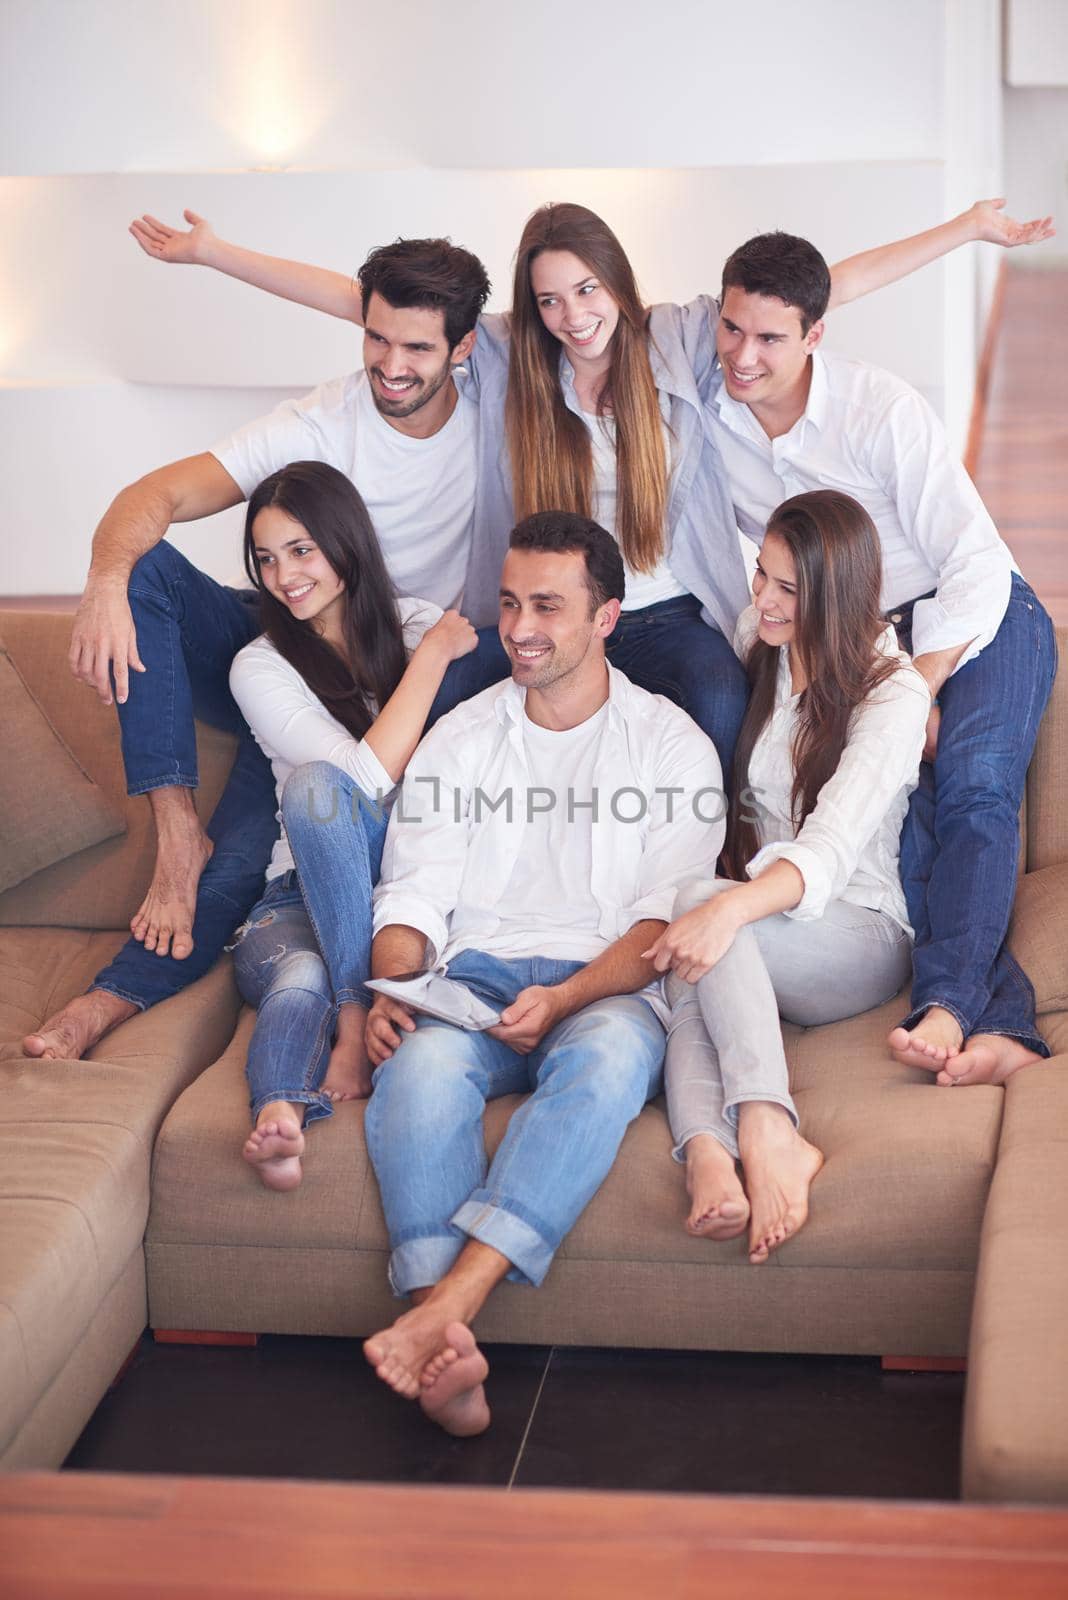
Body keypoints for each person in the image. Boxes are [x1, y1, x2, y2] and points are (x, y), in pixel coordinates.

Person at [125, 198, 1050, 786]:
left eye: (586, 289)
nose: (573, 316)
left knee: (723, 712)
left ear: (616, 280)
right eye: (551, 300)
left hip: (670, 608)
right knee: (450, 713)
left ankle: (710, 875)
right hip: (551, 615)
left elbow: (816, 292)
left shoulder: (679, 339)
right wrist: (217, 253)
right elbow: (371, 305)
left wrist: (966, 231)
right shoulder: (511, 364)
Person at [25, 236, 496, 1064]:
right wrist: (103, 581)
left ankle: (110, 998)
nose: (391, 364)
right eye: (375, 338)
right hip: (293, 650)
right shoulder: (322, 419)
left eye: (417, 347)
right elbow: (156, 495)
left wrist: (213, 250)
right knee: (150, 570)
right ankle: (173, 842)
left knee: (255, 844)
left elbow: (610, 324)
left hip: (408, 653)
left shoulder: (502, 401)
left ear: (463, 348)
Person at [359, 511, 723, 1435]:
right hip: (470, 981)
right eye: (511, 602)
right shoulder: (463, 735)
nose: (520, 627)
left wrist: (563, 996)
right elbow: (412, 892)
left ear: (606, 617)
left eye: (549, 607)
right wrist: (393, 988)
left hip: (603, 989)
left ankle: (444, 1310)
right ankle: (447, 1344)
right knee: (420, 1071)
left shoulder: (671, 744)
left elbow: (662, 918)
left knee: (601, 1069)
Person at [703, 229, 1058, 1087]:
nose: (744, 357)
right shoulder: (712, 419)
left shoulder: (880, 410)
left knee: (972, 789)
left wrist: (915, 687)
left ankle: (953, 1008)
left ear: (815, 335)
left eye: (771, 338)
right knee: (906, 832)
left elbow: (971, 558)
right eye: (732, 330)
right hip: (858, 630)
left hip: (973, 611)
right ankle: (997, 1021)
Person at [646, 490, 929, 1263]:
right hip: (769, 930)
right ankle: (709, 1153)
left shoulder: (893, 694)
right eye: (761, 577)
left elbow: (827, 852)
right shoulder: (763, 639)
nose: (764, 602)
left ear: (835, 597)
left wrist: (729, 908)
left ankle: (768, 1127)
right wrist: (725, 915)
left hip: (860, 934)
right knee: (694, 956)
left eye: (788, 589)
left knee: (704, 917)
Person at [225, 461, 476, 1191]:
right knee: (312, 793)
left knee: (313, 956)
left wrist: (424, 647)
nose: (284, 576)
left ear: (345, 540)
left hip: (409, 891)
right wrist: (429, 661)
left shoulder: (418, 622)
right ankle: (285, 1107)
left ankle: (312, 1066)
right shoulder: (260, 666)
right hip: (302, 891)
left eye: (301, 550)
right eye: (266, 559)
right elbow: (358, 784)